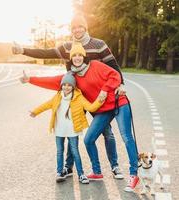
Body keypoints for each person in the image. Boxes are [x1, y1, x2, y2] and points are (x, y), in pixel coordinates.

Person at [14, 14, 125, 180]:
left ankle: (115, 166)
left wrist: (121, 84)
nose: (77, 30)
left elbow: (113, 66)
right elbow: (45, 53)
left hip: (98, 98)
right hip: (76, 97)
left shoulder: (99, 45)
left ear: (85, 28)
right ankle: (68, 167)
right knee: (71, 131)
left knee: (107, 132)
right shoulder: (67, 47)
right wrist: (23, 50)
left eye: (80, 27)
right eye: (74, 28)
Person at [21, 42, 139, 192]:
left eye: (79, 55)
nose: (77, 58)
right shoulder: (72, 76)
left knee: (126, 137)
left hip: (119, 103)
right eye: (74, 55)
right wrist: (30, 79)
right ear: (70, 58)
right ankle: (97, 171)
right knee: (88, 139)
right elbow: (54, 81)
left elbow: (114, 75)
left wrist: (105, 89)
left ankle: (134, 174)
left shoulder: (95, 65)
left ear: (84, 56)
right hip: (103, 109)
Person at [29, 72, 104, 184]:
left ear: (73, 86)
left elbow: (90, 107)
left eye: (69, 85)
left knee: (75, 152)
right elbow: (46, 105)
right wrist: (35, 112)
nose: (66, 87)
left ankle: (81, 174)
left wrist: (99, 100)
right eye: (64, 85)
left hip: (73, 130)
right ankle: (59, 172)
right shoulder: (58, 97)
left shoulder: (78, 97)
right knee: (60, 151)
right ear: (61, 86)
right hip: (59, 129)